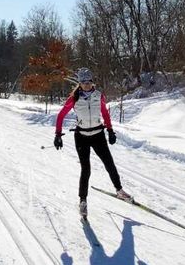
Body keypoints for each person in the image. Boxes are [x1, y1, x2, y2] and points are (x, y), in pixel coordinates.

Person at [53, 68, 133, 219]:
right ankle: (83, 201)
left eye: (89, 81)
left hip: (98, 135)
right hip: (82, 136)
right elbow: (61, 115)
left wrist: (110, 131)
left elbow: (105, 113)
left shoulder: (98, 96)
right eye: (83, 82)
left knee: (109, 163)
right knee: (86, 169)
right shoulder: (74, 98)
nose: (87, 85)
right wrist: (58, 135)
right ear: (79, 83)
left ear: (92, 82)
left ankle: (119, 191)